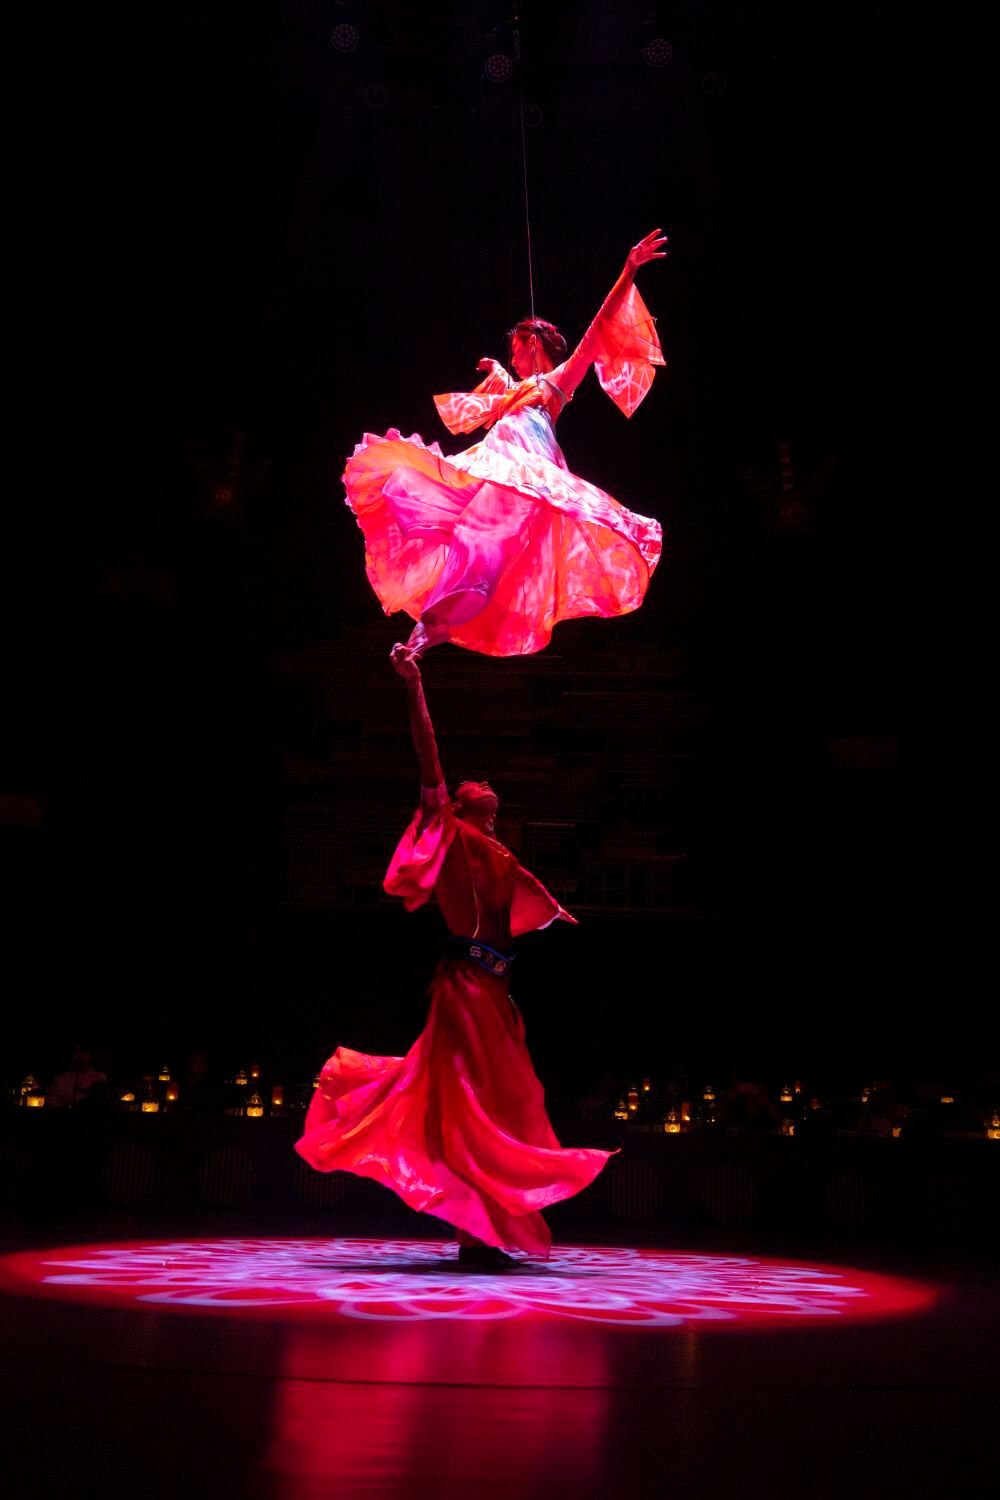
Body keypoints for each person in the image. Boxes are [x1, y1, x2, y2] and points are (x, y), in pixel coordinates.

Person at [295, 645, 614, 1265]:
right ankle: (477, 1236)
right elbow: (428, 752)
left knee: (502, 1106)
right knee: (468, 1108)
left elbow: (526, 896)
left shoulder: (498, 850)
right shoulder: (450, 831)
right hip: (464, 986)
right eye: (475, 789)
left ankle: (487, 1229)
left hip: (495, 989)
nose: (486, 786)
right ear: (461, 806)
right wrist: (413, 682)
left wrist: (552, 911)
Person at [344, 229, 668, 658]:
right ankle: (424, 636)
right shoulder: (518, 389)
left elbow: (597, 330)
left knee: (487, 550)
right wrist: (499, 372)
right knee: (469, 541)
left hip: (526, 472)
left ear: (533, 344)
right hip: (493, 467)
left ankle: (432, 629)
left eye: (515, 350)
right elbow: (511, 394)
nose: (513, 359)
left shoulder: (556, 383)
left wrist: (628, 271)